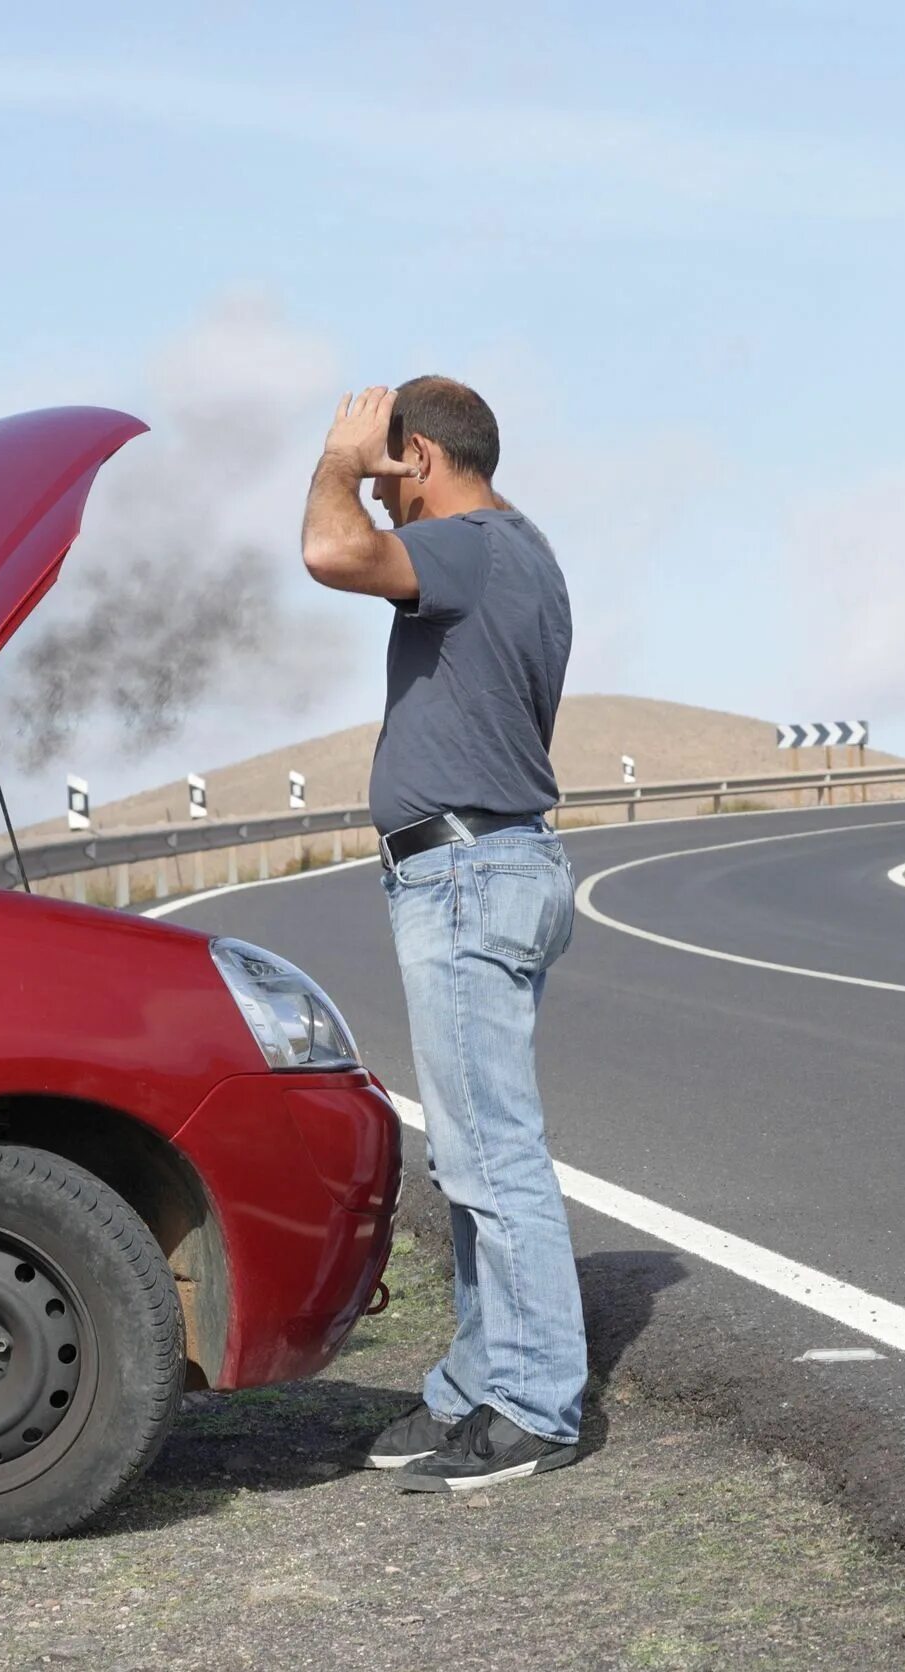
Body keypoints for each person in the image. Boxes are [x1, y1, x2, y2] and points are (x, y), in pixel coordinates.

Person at [300, 378, 584, 1492]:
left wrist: (338, 462)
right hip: (484, 867)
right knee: (469, 1150)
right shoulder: (516, 552)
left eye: (386, 467)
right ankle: (478, 1386)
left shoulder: (470, 543)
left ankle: (533, 1402)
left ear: (416, 454)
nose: (376, 488)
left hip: (469, 872)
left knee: (489, 1149)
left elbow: (330, 549)